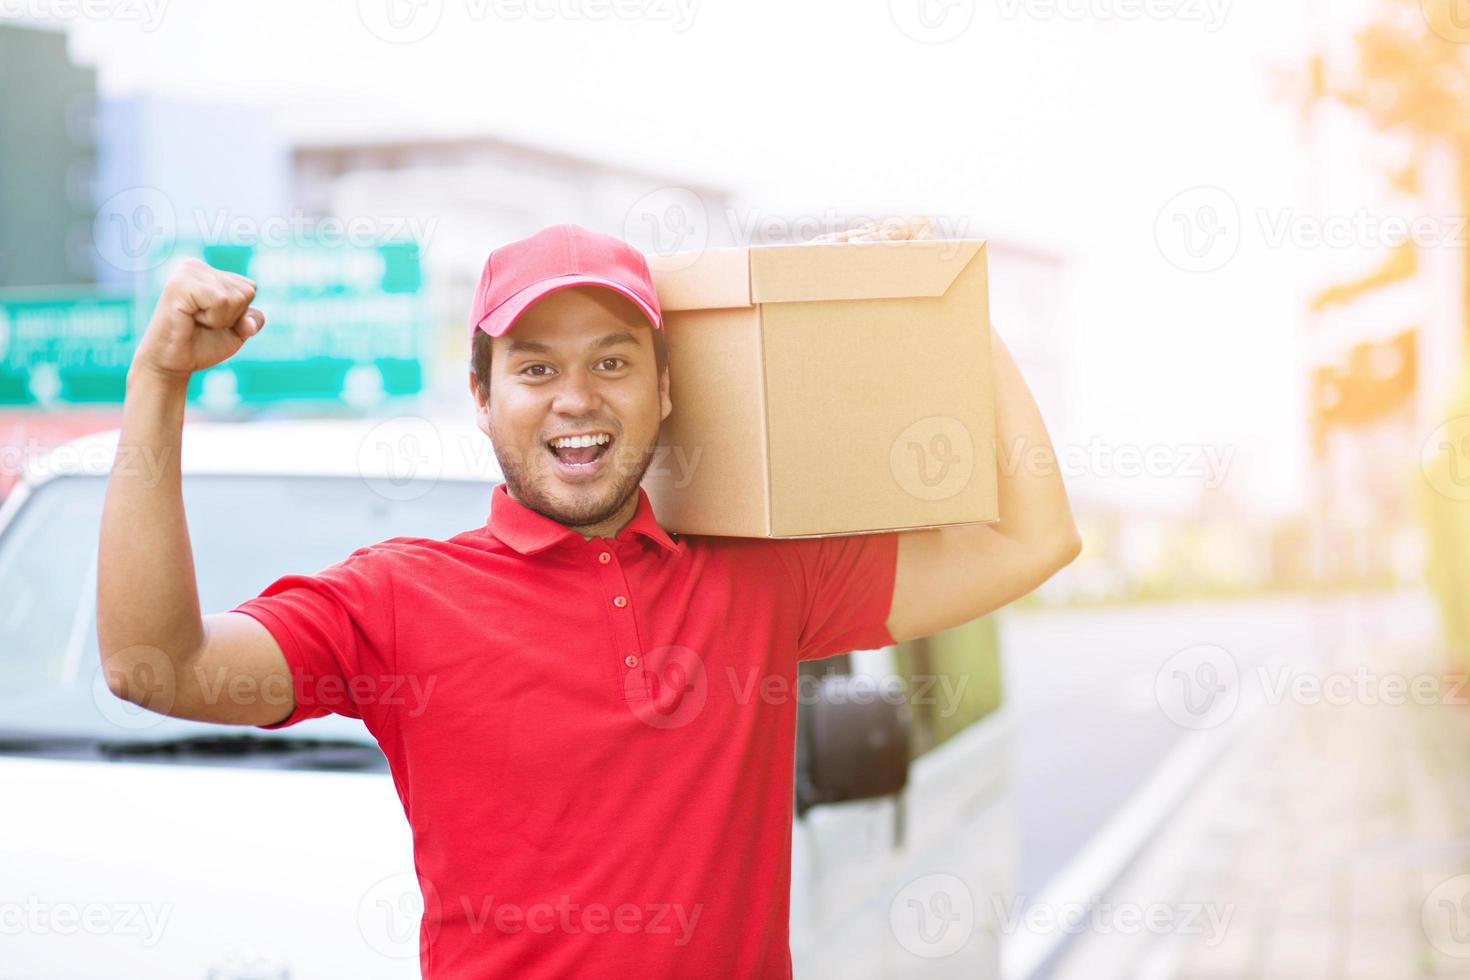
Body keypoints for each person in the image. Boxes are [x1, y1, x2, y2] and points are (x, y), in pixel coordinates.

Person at [96, 221, 1081, 978]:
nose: (576, 395)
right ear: (481, 398)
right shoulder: (398, 597)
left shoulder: (757, 577)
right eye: (535, 366)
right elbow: (157, 666)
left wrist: (945, 307)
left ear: (664, 389)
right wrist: (157, 382)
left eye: (612, 360)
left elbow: (1032, 535)